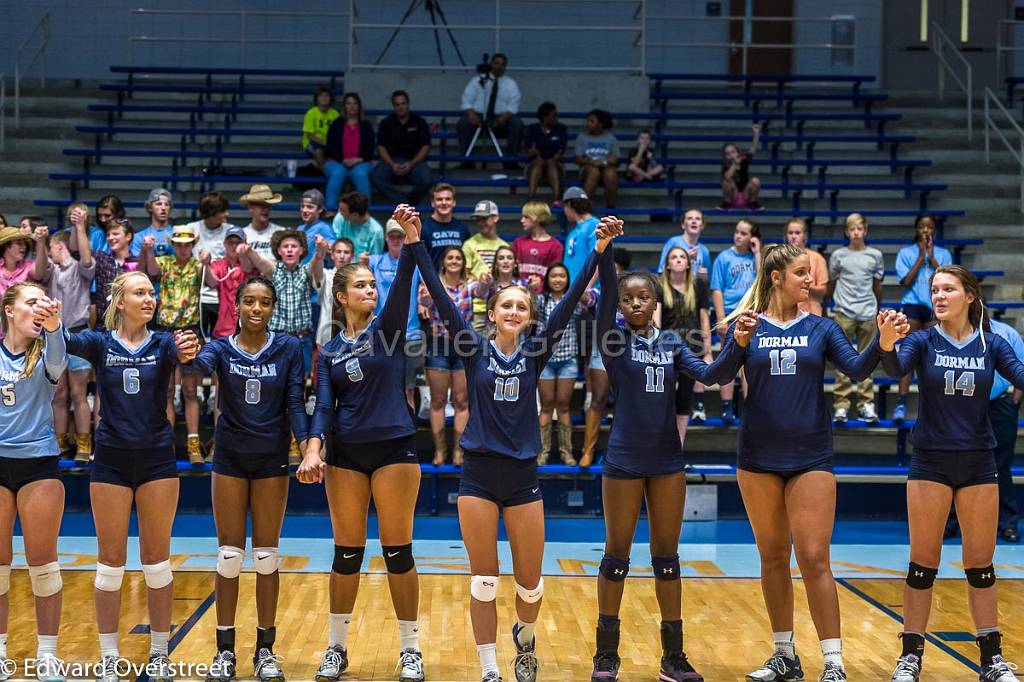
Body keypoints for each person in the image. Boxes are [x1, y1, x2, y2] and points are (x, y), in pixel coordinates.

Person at [412, 204, 621, 682]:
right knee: (484, 581)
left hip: (523, 476)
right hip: (479, 476)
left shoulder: (536, 349)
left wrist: (598, 250)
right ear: (492, 313)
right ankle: (489, 668)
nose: (512, 311)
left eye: (520, 307)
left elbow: (569, 303)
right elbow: (442, 300)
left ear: (529, 318)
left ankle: (524, 641)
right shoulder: (471, 345)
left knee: (529, 585)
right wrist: (417, 240)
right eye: (505, 305)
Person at [723, 244, 903, 682]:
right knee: (771, 556)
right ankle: (784, 655)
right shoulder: (747, 326)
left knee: (814, 557)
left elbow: (857, 371)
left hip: (810, 456)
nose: (811, 280)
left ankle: (833, 662)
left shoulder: (822, 328)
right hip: (757, 456)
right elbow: (721, 374)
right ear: (777, 278)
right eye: (802, 273)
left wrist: (883, 344)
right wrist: (738, 342)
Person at [589, 235, 755, 682]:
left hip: (667, 463)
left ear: (655, 300)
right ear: (621, 306)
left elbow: (712, 373)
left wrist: (737, 345)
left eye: (644, 296)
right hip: (623, 461)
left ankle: (673, 657)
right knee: (616, 558)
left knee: (668, 559)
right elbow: (605, 294)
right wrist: (604, 250)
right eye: (629, 299)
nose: (637, 303)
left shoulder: (674, 344)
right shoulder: (613, 341)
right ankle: (606, 655)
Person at [880, 266, 1024, 682]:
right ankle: (910, 657)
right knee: (922, 564)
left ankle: (991, 659)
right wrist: (888, 344)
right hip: (930, 462)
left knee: (980, 566)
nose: (939, 296)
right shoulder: (923, 340)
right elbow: (894, 368)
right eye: (935, 290)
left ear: (970, 296)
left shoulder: (992, 344)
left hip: (979, 462)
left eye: (948, 289)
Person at [300, 207, 426, 682]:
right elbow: (325, 408)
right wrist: (314, 449)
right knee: (346, 554)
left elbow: (407, 279)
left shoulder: (389, 331)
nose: (370, 291)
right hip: (347, 456)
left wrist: (412, 238)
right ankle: (336, 648)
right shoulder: (328, 352)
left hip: (394, 450)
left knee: (398, 553)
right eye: (361, 286)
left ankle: (410, 650)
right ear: (340, 295)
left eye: (373, 285)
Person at [177, 276, 308, 682]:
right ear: (236, 306)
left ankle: (266, 650)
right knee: (229, 556)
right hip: (230, 459)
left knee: (267, 556)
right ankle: (225, 651)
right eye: (249, 301)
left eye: (265, 302)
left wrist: (308, 447)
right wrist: (182, 352)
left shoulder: (288, 347)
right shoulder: (219, 348)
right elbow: (194, 368)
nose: (256, 308)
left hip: (271, 461)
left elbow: (294, 402)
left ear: (273, 307)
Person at [65, 271, 194, 682]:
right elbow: (63, 340)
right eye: (140, 293)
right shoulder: (101, 343)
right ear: (120, 302)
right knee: (110, 564)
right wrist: (50, 321)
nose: (149, 298)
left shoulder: (164, 343)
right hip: (111, 462)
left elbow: (190, 353)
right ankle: (108, 656)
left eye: (152, 292)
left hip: (157, 461)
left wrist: (191, 350)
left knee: (157, 562)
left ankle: (160, 653)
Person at [0, 284, 69, 680]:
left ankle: (47, 654)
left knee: (43, 565)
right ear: (10, 310)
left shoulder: (45, 352)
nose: (38, 307)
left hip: (37, 464)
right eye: (31, 301)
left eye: (43, 301)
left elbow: (60, 352)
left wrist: (54, 322)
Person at [33, 210, 95, 464]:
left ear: (58, 247)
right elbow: (39, 270)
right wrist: (39, 243)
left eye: (50, 250)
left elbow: (88, 260)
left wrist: (79, 227)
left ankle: (83, 441)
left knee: (79, 393)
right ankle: (58, 440)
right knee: (58, 394)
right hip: (54, 336)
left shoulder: (81, 268)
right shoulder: (52, 271)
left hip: (79, 334)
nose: (48, 255)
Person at [141, 223, 205, 464]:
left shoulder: (198, 265)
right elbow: (152, 271)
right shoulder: (165, 261)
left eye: (187, 244)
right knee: (166, 389)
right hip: (165, 329)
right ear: (173, 245)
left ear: (192, 245)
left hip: (189, 328)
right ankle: (166, 442)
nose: (183, 248)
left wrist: (206, 262)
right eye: (178, 244)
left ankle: (193, 443)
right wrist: (147, 250)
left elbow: (211, 281)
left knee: (190, 389)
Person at [892, 214, 953, 423]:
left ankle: (934, 404)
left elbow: (947, 278)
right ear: (916, 230)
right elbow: (905, 281)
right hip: (912, 305)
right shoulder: (905, 253)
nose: (926, 230)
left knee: (934, 357)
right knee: (909, 354)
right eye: (922, 227)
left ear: (934, 230)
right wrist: (921, 256)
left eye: (930, 227)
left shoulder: (944, 254)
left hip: (936, 306)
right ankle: (901, 402)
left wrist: (932, 256)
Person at [827, 213, 884, 424]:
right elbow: (831, 284)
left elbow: (878, 286)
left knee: (867, 361)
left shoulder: (875, 255)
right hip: (844, 313)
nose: (856, 233)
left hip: (868, 312)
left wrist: (878, 310)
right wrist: (826, 308)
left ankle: (866, 404)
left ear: (866, 230)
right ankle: (841, 405)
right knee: (842, 360)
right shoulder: (838, 255)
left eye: (860, 229)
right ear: (846, 231)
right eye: (852, 229)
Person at [536, 263, 595, 466]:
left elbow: (588, 302)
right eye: (554, 275)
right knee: (545, 406)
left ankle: (566, 452)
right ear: (547, 279)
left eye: (562, 275)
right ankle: (542, 452)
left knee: (563, 405)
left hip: (568, 359)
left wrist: (582, 289)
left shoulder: (574, 300)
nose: (558, 279)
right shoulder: (540, 300)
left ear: (567, 279)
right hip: (545, 360)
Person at [420, 245, 473, 466]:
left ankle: (459, 451)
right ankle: (440, 450)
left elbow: (484, 292)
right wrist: (423, 301)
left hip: (464, 345)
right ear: (443, 262)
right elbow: (422, 303)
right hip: (439, 344)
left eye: (457, 258)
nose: (453, 261)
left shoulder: (472, 286)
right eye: (449, 258)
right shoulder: (432, 285)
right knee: (438, 400)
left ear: (463, 262)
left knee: (461, 401)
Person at [657, 247, 712, 449]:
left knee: (684, 399)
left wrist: (708, 350)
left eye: (682, 257)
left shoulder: (698, 285)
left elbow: (704, 318)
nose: (679, 260)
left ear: (688, 263)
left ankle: (678, 446)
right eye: (674, 257)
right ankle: (662, 444)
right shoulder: (660, 286)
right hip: (667, 349)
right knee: (665, 398)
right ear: (667, 264)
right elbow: (656, 322)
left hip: (692, 348)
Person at [367, 222, 425, 409]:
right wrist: (361, 263)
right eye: (392, 236)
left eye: (400, 236)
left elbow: (428, 289)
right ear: (385, 238)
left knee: (409, 390)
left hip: (412, 333)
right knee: (382, 388)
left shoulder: (416, 263)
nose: (396, 240)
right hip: (382, 334)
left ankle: (408, 433)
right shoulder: (374, 261)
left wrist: (425, 298)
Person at [710, 219, 761, 424]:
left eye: (744, 233)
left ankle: (750, 406)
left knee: (750, 364)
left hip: (752, 314)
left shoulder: (755, 257)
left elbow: (763, 279)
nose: (738, 236)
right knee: (728, 362)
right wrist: (721, 319)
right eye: (737, 231)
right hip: (731, 314)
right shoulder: (724, 257)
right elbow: (716, 289)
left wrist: (758, 253)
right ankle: (727, 407)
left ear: (752, 237)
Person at [71, 218, 142, 328]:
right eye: (108, 235)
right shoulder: (102, 258)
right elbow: (80, 254)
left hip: (131, 325)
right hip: (103, 326)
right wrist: (80, 227)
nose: (110, 238)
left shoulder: (138, 263)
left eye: (115, 234)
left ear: (128, 236)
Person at [456, 53, 523, 166]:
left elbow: (514, 105)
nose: (499, 67)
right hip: (478, 117)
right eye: (497, 63)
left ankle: (511, 161)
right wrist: (471, 114)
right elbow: (466, 100)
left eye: (502, 65)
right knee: (463, 123)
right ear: (491, 64)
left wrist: (505, 116)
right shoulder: (478, 80)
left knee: (517, 124)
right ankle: (468, 162)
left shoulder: (511, 84)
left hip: (501, 119)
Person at [199, 227, 263, 342]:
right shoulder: (220, 264)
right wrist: (206, 264)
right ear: (224, 244)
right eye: (230, 243)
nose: (234, 246)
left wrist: (244, 253)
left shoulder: (252, 264)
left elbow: (250, 271)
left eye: (238, 243)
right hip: (223, 330)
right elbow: (212, 282)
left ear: (245, 244)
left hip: (247, 329)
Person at [371, 90, 433, 206]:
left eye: (403, 103)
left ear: (408, 104)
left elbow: (426, 146)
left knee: (427, 179)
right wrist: (391, 164)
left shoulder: (419, 122)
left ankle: (410, 203)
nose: (401, 107)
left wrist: (412, 163)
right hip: (391, 161)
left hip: (414, 161)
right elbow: (380, 147)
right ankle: (403, 202)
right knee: (375, 177)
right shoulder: (386, 123)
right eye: (397, 104)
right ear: (393, 106)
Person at [188, 191, 236, 338]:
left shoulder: (230, 231)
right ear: (211, 212)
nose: (226, 214)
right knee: (197, 341)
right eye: (222, 211)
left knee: (221, 342)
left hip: (222, 298)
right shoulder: (191, 229)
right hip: (196, 297)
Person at [323, 93, 374, 210]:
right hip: (337, 162)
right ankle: (330, 210)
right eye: (348, 103)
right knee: (338, 173)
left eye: (355, 103)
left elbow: (370, 148)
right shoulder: (336, 124)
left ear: (359, 106)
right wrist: (342, 160)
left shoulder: (366, 125)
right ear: (344, 106)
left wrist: (359, 159)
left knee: (361, 174)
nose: (352, 106)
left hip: (361, 162)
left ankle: (365, 211)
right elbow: (330, 147)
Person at [464, 200, 509, 330]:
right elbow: (463, 275)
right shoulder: (469, 244)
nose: (480, 223)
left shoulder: (504, 246)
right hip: (477, 306)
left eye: (484, 218)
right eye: (478, 219)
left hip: (500, 306)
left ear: (495, 218)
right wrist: (480, 282)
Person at [470, 246, 529, 332]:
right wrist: (483, 284)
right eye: (501, 258)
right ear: (496, 264)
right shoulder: (490, 283)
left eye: (509, 258)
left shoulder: (524, 284)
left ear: (515, 263)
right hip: (493, 332)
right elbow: (479, 294)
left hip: (518, 332)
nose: (505, 261)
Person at [512, 201, 563, 294]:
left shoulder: (555, 246)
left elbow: (556, 275)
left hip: (544, 297)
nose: (522, 220)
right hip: (519, 294)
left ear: (536, 218)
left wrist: (542, 283)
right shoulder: (518, 243)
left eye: (526, 217)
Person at [574, 110, 620, 208]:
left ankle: (610, 210)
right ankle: (583, 209)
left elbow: (615, 159)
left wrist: (603, 162)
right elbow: (578, 159)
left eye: (591, 121)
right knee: (594, 172)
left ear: (601, 124)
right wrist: (592, 162)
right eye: (587, 121)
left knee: (611, 174)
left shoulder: (610, 138)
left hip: (605, 168)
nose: (588, 124)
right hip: (587, 169)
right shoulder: (582, 137)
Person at [523, 102, 567, 202]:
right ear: (544, 117)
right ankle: (531, 198)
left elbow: (560, 151)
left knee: (551, 163)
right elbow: (530, 151)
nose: (557, 118)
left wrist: (553, 157)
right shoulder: (532, 129)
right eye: (554, 115)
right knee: (539, 162)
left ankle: (557, 198)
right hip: (535, 164)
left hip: (555, 164)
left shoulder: (561, 129)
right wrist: (536, 154)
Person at [315, 238, 354, 350]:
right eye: (338, 252)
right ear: (332, 255)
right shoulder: (326, 276)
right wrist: (320, 253)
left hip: (352, 337)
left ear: (352, 256)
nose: (342, 256)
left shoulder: (357, 279)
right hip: (326, 337)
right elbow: (317, 273)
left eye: (346, 252)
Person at [420, 183, 470, 269]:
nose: (444, 203)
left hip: (457, 280)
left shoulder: (462, 228)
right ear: (432, 203)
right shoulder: (424, 228)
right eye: (439, 199)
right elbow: (419, 259)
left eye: (448, 199)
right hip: (431, 281)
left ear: (454, 202)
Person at [785, 218, 828, 316]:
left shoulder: (817, 258)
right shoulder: (781, 259)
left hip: (811, 313)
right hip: (786, 315)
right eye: (790, 233)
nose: (793, 236)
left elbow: (823, 290)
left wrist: (804, 285)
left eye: (797, 233)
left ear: (805, 235)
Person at [332, 191, 383, 262]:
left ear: (354, 215)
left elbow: (375, 260)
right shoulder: (340, 218)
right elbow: (334, 243)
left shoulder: (376, 231)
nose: (339, 212)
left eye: (343, 210)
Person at [720, 123, 762, 210]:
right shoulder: (726, 164)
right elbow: (727, 177)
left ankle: (752, 202)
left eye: (733, 152)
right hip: (734, 196)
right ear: (725, 157)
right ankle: (727, 203)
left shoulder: (743, 160)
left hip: (745, 194)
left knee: (755, 180)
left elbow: (753, 149)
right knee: (726, 182)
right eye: (728, 154)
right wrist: (735, 164)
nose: (731, 155)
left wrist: (756, 133)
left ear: (738, 152)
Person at [658, 209, 711, 277]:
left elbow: (708, 276)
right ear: (683, 225)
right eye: (689, 218)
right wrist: (686, 258)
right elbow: (661, 271)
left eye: (697, 219)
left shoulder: (704, 250)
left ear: (702, 226)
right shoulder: (673, 243)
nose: (694, 221)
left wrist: (704, 276)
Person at [240, 185, 286, 261]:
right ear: (250, 207)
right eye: (261, 205)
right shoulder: (242, 234)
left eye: (268, 206)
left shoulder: (281, 233)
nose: (265, 209)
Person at [302, 86, 339, 170]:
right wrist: (324, 143)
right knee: (318, 150)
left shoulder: (335, 114)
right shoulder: (311, 113)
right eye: (321, 96)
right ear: (317, 99)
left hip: (329, 142)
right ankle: (324, 172)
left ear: (331, 99)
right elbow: (310, 136)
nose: (324, 98)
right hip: (312, 143)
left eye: (327, 96)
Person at [132, 188, 175, 258]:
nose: (163, 208)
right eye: (159, 204)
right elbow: (137, 266)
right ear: (150, 208)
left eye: (166, 204)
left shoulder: (177, 235)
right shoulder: (139, 237)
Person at [296, 189, 336, 264]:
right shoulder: (299, 228)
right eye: (302, 206)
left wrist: (326, 246)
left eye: (309, 207)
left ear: (320, 209)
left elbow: (334, 249)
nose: (304, 210)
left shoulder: (324, 228)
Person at [0, 227, 37, 301]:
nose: (24, 247)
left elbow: (39, 274)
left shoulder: (28, 266)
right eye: (19, 243)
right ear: (6, 246)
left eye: (25, 243)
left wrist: (41, 244)